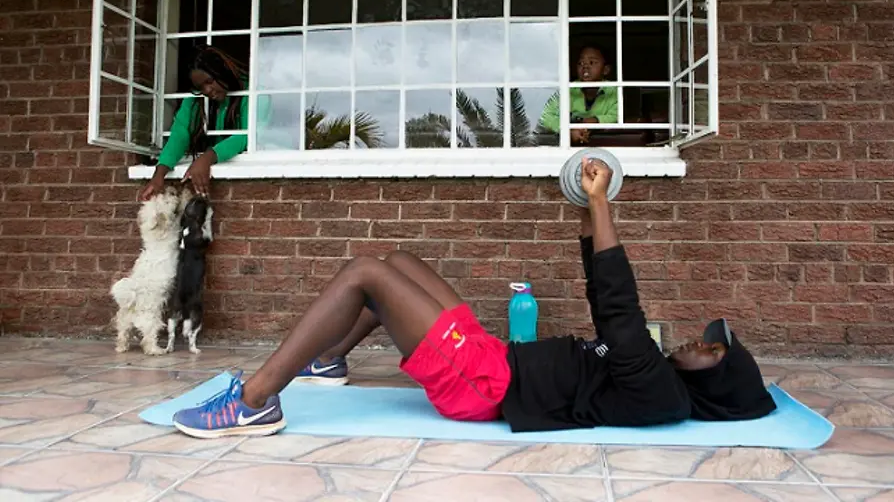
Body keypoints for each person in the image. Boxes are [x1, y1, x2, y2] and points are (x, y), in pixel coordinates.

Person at [171, 159, 776, 438]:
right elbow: (602, 297)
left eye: (714, 353)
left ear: (715, 385)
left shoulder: (662, 396)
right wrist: (588, 220)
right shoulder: (652, 378)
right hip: (492, 360)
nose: (703, 341)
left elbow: (620, 308)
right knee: (397, 262)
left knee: (364, 274)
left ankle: (254, 402)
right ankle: (329, 360)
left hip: (482, 386)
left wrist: (602, 203)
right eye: (712, 339)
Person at [139, 45, 251, 201]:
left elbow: (247, 135)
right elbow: (180, 133)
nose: (207, 90)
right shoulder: (195, 99)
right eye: (201, 87)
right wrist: (159, 174)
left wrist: (207, 158)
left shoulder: (251, 91)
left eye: (210, 81)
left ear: (222, 71)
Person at [538, 44, 619, 145]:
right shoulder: (568, 89)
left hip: (604, 143)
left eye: (592, 62)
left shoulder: (614, 89)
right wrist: (568, 130)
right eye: (580, 63)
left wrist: (595, 121)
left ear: (606, 70)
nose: (585, 66)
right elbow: (546, 116)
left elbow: (617, 115)